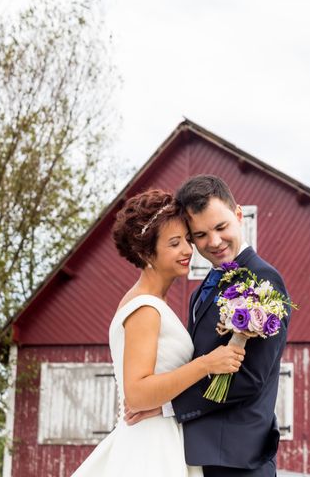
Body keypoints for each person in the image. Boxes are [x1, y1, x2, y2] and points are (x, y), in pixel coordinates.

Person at [72, 189, 245, 477]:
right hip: (150, 444)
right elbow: (137, 394)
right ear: (144, 252)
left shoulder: (155, 303)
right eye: (175, 243)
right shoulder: (144, 308)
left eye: (187, 240)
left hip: (167, 435)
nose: (188, 251)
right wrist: (206, 364)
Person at [126, 175, 292, 477]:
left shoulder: (264, 281)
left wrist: (167, 407)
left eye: (221, 227)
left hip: (239, 459)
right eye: (200, 234)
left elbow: (250, 377)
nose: (213, 242)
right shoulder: (204, 289)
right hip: (202, 454)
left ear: (238, 215)